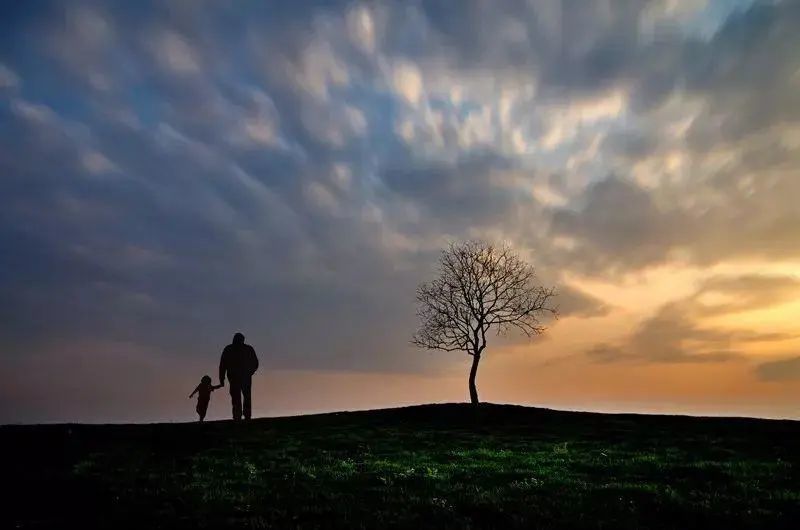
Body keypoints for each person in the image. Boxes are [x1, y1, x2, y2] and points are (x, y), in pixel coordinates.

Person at [219, 332, 259, 420]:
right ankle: (243, 415)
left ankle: (240, 415)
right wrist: (221, 378)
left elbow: (222, 365)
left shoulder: (229, 349)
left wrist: (222, 379)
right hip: (238, 377)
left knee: (239, 396)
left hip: (239, 377)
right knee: (241, 396)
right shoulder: (246, 349)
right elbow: (255, 363)